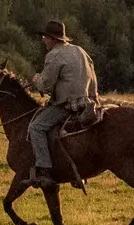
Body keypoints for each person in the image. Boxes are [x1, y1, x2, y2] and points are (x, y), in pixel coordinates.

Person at [27, 19, 99, 191]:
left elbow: (46, 85)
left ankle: (44, 170)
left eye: (44, 37)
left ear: (52, 39)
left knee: (36, 127)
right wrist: (94, 97)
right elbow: (92, 73)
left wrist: (37, 80)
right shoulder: (80, 50)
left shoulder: (54, 55)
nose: (43, 40)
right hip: (86, 103)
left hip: (67, 106)